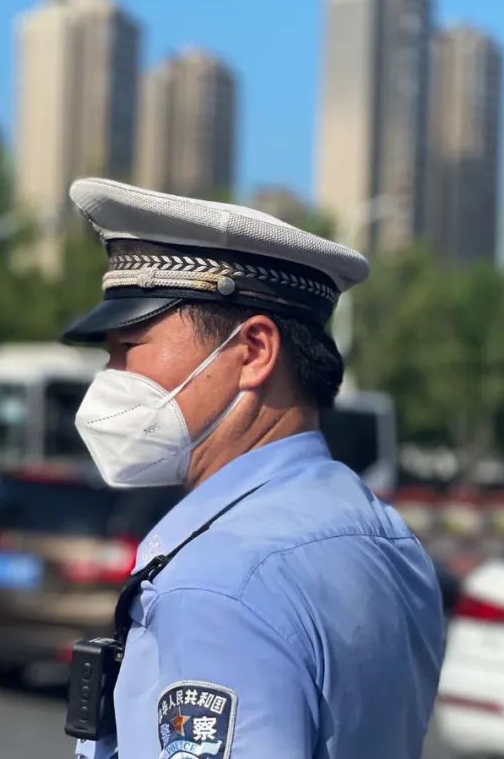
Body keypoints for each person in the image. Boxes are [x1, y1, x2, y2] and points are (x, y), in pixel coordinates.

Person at [63, 178, 444, 759]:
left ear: (255, 351)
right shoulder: (386, 536)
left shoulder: (216, 581)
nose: (110, 378)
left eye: (128, 347)